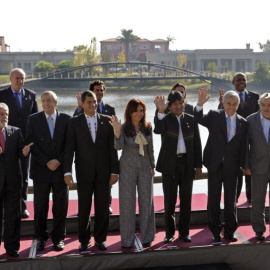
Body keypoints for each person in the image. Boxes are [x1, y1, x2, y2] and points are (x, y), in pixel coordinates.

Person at [64, 90, 119, 252]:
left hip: (104, 173)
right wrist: (67, 172)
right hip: (84, 172)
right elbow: (69, 149)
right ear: (82, 103)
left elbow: (112, 149)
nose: (93, 105)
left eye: (94, 101)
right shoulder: (74, 122)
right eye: (89, 102)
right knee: (84, 208)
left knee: (103, 207)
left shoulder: (107, 121)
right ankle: (84, 240)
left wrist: (114, 171)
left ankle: (100, 239)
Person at [195, 89, 247, 244]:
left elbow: (244, 147)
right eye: (228, 103)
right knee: (214, 199)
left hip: (233, 168)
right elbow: (197, 118)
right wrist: (199, 104)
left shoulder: (243, 123)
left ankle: (230, 231)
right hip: (215, 165)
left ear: (238, 105)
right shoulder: (214, 116)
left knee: (231, 201)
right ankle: (215, 232)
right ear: (223, 103)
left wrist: (245, 165)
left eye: (234, 104)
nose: (231, 106)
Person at [154, 91, 202, 244]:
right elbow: (157, 130)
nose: (178, 106)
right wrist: (160, 111)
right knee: (169, 201)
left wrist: (198, 164)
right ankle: (169, 233)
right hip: (170, 165)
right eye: (174, 104)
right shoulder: (165, 119)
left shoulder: (191, 119)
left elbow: (197, 144)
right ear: (169, 105)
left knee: (186, 201)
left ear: (184, 103)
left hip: (187, 164)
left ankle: (184, 232)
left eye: (180, 103)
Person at [26, 91, 70, 252]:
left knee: (60, 206)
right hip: (41, 170)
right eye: (43, 101)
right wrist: (46, 162)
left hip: (60, 170)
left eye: (49, 100)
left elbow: (69, 144)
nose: (46, 103)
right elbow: (31, 143)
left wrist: (58, 160)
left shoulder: (66, 119)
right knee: (40, 207)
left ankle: (58, 238)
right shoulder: (33, 119)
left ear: (56, 102)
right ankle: (41, 238)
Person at [110, 99, 155, 248]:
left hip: (145, 168)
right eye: (136, 111)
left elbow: (151, 149)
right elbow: (118, 147)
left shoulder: (148, 127)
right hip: (127, 169)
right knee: (127, 204)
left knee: (146, 203)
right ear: (130, 112)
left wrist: (152, 166)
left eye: (141, 110)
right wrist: (117, 132)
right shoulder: (123, 128)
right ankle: (127, 240)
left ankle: (147, 236)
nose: (139, 114)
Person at [0, 68, 39, 218]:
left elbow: (36, 119)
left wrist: (32, 142)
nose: (20, 81)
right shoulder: (2, 94)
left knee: (23, 175)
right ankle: (4, 208)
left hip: (24, 143)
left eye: (22, 78)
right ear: (10, 79)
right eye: (17, 78)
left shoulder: (31, 95)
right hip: (5, 141)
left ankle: (22, 207)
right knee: (4, 174)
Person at [74, 80, 115, 214]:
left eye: (102, 90)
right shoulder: (81, 109)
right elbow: (75, 128)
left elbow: (113, 136)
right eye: (97, 90)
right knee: (85, 200)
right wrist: (79, 108)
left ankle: (107, 204)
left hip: (103, 161)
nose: (100, 93)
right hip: (86, 163)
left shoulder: (110, 110)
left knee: (104, 191)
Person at [219, 73, 259, 203]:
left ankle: (251, 197)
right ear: (233, 82)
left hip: (251, 141)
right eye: (238, 80)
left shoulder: (255, 97)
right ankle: (234, 198)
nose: (241, 82)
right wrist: (221, 105)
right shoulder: (227, 97)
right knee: (236, 170)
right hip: (234, 142)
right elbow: (220, 117)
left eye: (243, 80)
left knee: (250, 168)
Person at [0, 102, 31, 257]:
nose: (4, 116)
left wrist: (25, 152)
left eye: (6, 113)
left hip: (13, 182)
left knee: (13, 216)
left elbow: (21, 154)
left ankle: (12, 247)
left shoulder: (16, 132)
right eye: (1, 113)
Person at [244, 93, 270, 241]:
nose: (266, 108)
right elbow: (246, 145)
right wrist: (246, 165)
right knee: (258, 200)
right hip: (257, 166)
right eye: (263, 105)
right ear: (259, 105)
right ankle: (259, 229)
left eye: (269, 105)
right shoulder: (250, 120)